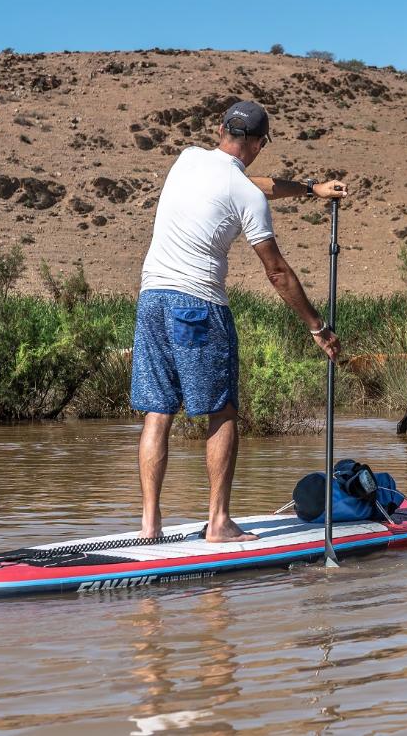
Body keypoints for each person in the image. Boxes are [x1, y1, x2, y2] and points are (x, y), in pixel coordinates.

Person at [131, 100, 345, 542]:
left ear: (221, 129)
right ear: (260, 143)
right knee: (223, 412)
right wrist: (316, 326)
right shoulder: (244, 194)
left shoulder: (188, 158)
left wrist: (310, 189)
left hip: (151, 299)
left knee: (158, 412)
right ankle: (219, 522)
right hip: (197, 306)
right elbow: (277, 272)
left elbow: (250, 183)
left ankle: (150, 525)